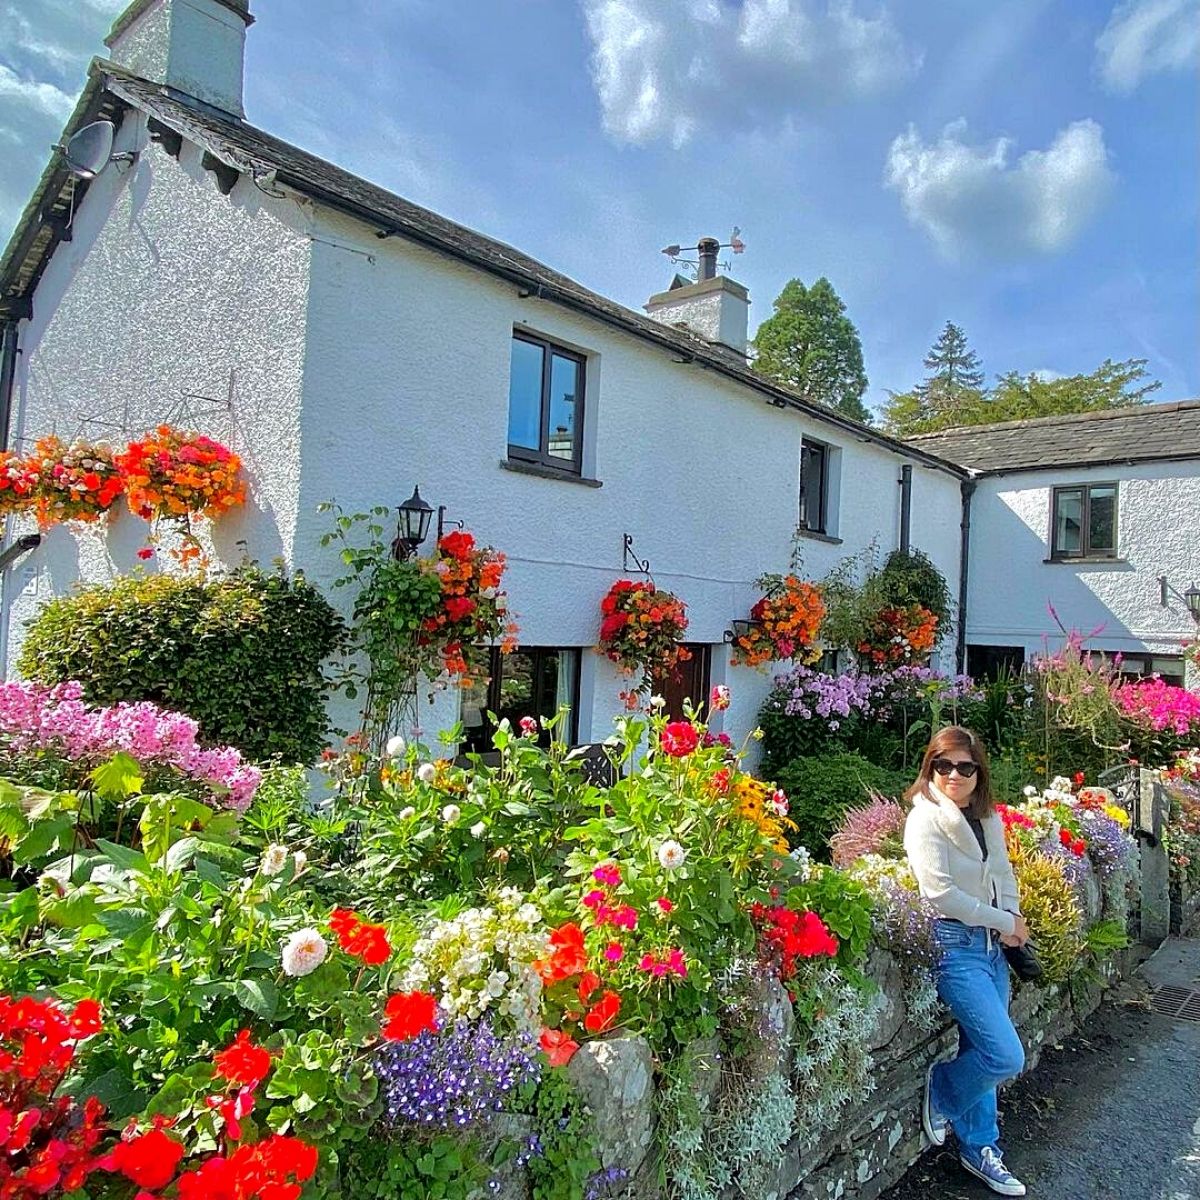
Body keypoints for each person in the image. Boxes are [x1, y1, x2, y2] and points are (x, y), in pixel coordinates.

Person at [903, 725, 1032, 1197]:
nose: (953, 775)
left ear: (979, 773)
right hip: (955, 946)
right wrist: (1002, 919)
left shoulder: (985, 818)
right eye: (943, 765)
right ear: (930, 768)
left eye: (964, 767)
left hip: (990, 947)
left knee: (981, 1049)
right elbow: (940, 894)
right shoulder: (925, 819)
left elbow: (1002, 870)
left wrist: (1012, 917)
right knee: (1004, 1054)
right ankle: (943, 1090)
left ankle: (980, 1147)